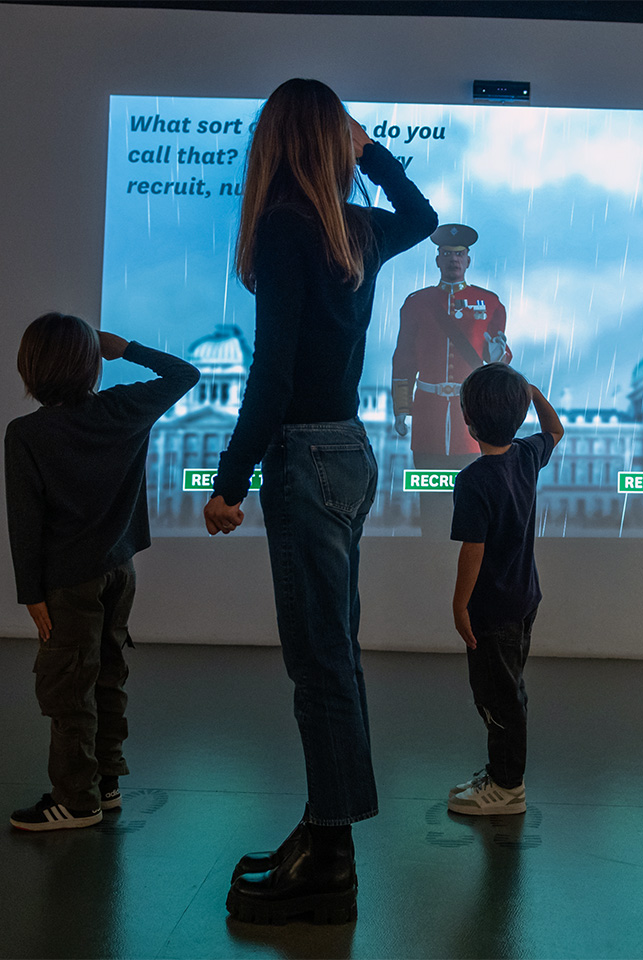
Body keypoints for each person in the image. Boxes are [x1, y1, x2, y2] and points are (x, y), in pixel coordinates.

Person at [202, 78, 436, 925]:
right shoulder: (353, 229)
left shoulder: (286, 226)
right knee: (332, 656)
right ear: (330, 143)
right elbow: (424, 213)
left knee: (319, 662)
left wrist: (230, 482)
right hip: (348, 448)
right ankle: (322, 830)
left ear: (275, 143)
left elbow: (273, 373)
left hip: (304, 455)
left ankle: (330, 861)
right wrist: (369, 153)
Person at [5, 313, 199, 831]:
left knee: (69, 687)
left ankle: (75, 799)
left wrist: (31, 595)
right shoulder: (121, 409)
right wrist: (126, 347)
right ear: (91, 363)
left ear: (31, 366)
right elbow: (184, 375)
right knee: (108, 675)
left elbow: (25, 522)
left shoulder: (26, 433)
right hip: (119, 570)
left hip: (67, 582)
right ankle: (105, 784)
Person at [446, 363, 563, 816]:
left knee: (497, 699)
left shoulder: (474, 480)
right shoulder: (527, 454)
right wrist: (532, 393)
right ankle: (500, 772)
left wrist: (460, 607)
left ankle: (507, 787)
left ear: (468, 422)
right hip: (523, 600)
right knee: (508, 689)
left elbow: (472, 552)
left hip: (492, 610)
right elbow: (555, 428)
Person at [392, 223, 510, 537]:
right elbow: (404, 357)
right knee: (431, 506)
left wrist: (499, 355)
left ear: (468, 260)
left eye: (459, 254)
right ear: (437, 260)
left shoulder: (489, 303)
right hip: (429, 415)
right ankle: (430, 559)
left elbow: (497, 357)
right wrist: (402, 408)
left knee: (470, 503)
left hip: (469, 419)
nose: (453, 260)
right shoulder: (417, 302)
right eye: (447, 254)